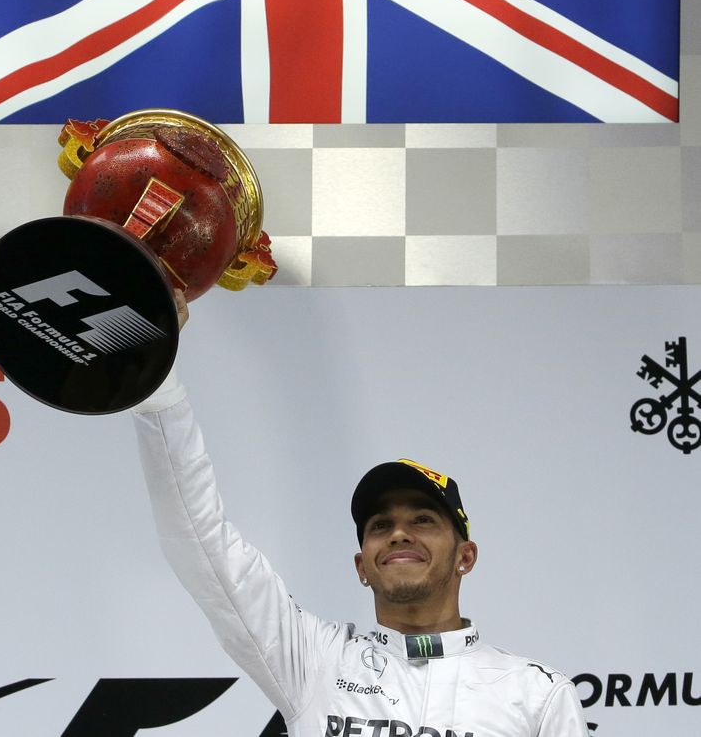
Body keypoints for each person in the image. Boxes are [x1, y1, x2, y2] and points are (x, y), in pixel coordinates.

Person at [132, 293, 588, 736]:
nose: (399, 534)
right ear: (361, 566)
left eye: (423, 519)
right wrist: (159, 382)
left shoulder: (536, 696)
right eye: (380, 525)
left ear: (465, 556)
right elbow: (200, 541)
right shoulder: (315, 663)